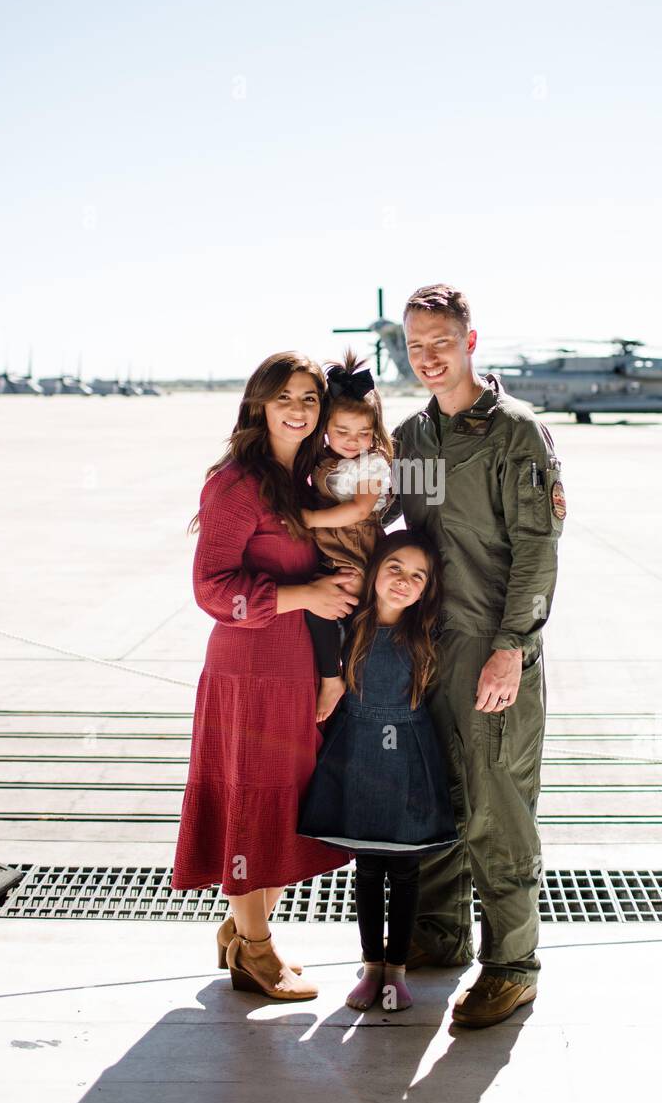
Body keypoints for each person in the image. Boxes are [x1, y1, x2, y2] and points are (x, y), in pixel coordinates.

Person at [380, 284, 565, 1029]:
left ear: (470, 342)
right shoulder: (416, 439)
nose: (428, 358)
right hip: (429, 652)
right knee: (439, 798)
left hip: (493, 653)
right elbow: (381, 514)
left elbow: (536, 554)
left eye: (441, 343)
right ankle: (441, 933)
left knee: (498, 810)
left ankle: (513, 966)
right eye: (415, 345)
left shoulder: (515, 434)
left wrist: (511, 650)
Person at [170, 351, 361, 1003]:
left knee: (283, 807)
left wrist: (330, 668)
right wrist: (304, 595)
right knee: (256, 804)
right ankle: (255, 949)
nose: (299, 409)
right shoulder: (236, 483)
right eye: (285, 396)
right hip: (248, 670)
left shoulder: (305, 484)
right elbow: (210, 588)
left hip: (296, 668)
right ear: (259, 403)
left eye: (310, 398)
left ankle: (238, 927)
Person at [297, 530, 458, 1013]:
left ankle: (397, 972)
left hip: (408, 757)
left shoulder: (428, 635)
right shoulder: (351, 623)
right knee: (367, 868)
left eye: (417, 576)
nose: (404, 582)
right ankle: (371, 967)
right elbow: (314, 611)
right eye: (394, 568)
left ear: (428, 589)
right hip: (360, 755)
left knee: (405, 869)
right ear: (373, 570)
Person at [300, 349, 394, 721]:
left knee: (345, 615)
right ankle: (333, 677)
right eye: (342, 432)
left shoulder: (371, 464)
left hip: (357, 552)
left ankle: (345, 686)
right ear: (325, 427)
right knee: (318, 610)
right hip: (330, 551)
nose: (353, 441)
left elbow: (358, 510)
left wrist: (307, 519)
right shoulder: (321, 457)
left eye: (363, 433)